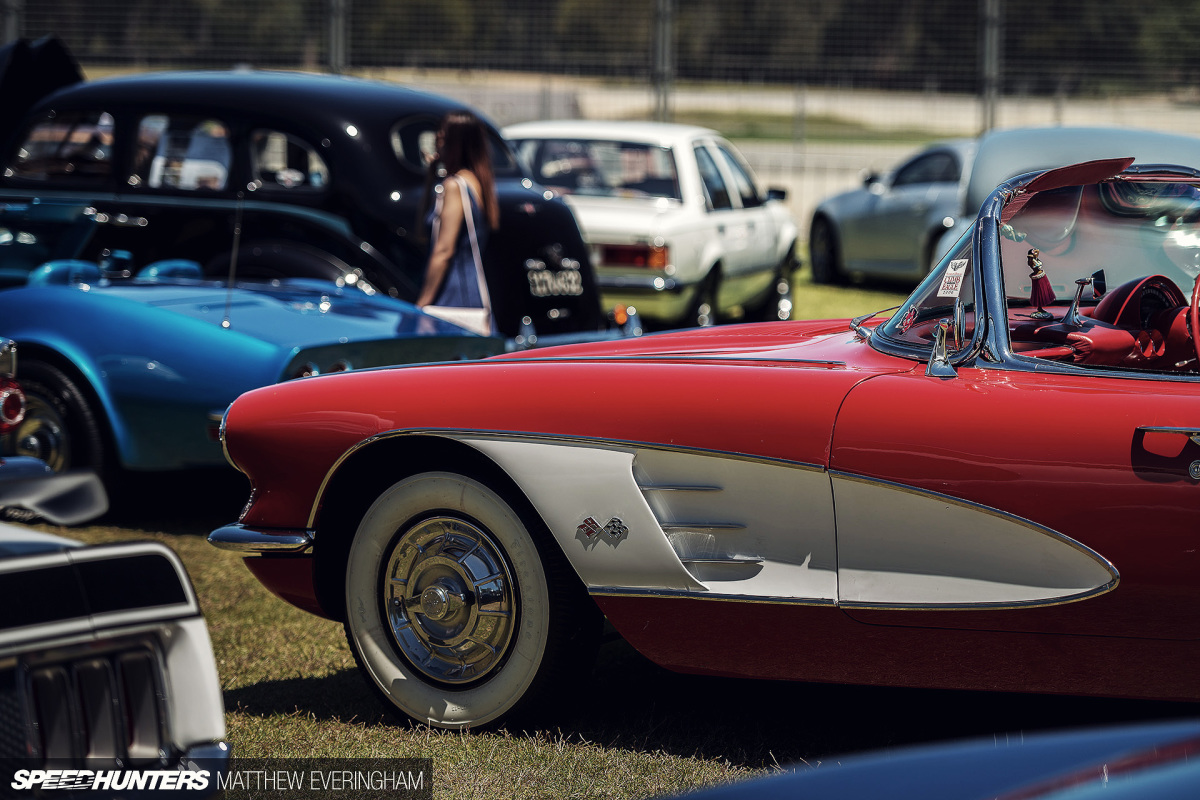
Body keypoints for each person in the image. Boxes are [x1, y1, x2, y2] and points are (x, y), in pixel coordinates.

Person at [416, 112, 500, 334]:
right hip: (475, 295)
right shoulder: (477, 181)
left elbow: (443, 250)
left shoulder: (454, 187)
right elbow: (423, 233)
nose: (437, 140)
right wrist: (431, 176)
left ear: (458, 141)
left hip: (452, 298)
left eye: (443, 135)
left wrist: (421, 304)